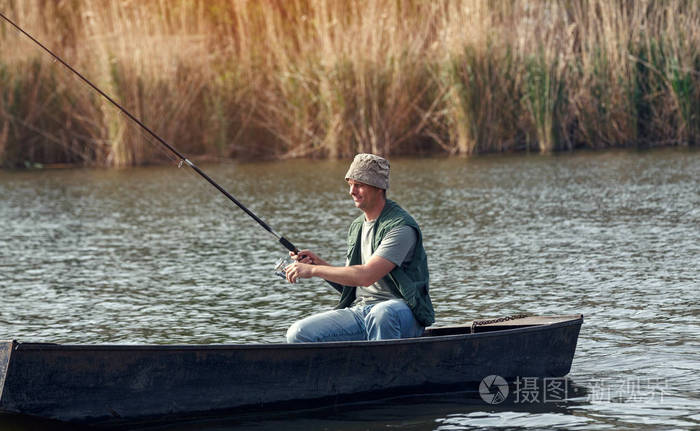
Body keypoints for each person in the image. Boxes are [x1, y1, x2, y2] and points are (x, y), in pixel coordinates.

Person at [284, 153, 434, 343]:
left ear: (379, 188)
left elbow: (366, 276)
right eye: (350, 184)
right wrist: (319, 264)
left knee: (382, 313)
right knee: (298, 333)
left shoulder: (400, 227)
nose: (352, 192)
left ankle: (386, 371)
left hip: (403, 313)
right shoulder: (357, 226)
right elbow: (352, 280)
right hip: (361, 311)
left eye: (359, 185)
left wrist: (313, 270)